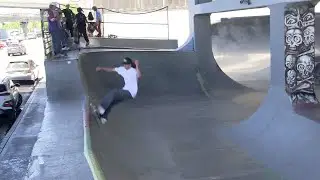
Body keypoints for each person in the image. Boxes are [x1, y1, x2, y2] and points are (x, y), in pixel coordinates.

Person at [94, 57, 141, 124]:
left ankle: (101, 108)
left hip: (131, 92)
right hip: (125, 91)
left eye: (126, 64)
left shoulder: (134, 70)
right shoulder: (122, 69)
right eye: (124, 64)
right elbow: (111, 69)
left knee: (114, 92)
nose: (125, 66)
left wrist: (137, 65)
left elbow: (139, 76)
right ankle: (103, 118)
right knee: (112, 101)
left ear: (130, 64)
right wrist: (101, 68)